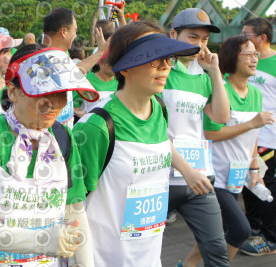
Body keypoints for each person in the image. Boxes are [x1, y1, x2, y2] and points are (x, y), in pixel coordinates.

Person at [0, 44, 98, 266]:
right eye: (43, 92)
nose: (54, 103)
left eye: (61, 92)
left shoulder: (63, 137)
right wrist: (42, 241)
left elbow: (74, 211)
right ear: (13, 92)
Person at [74, 21, 212, 266]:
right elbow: (72, 203)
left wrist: (187, 170)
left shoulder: (159, 109)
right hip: (105, 258)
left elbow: (162, 142)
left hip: (149, 255)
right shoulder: (96, 127)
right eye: (153, 58)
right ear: (124, 68)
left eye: (167, 58)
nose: (165, 66)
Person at [161, 8, 231, 267]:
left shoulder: (203, 75)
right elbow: (155, 130)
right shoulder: (160, 71)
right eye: (193, 37)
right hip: (159, 176)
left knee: (216, 248)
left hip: (197, 176)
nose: (200, 45)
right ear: (173, 35)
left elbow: (221, 116)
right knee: (143, 247)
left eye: (204, 39)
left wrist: (214, 72)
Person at [203, 36, 274, 260]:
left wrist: (255, 169)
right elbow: (211, 134)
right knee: (240, 230)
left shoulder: (256, 93)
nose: (255, 59)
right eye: (248, 54)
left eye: (256, 54)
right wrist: (252, 123)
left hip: (237, 177)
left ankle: (188, 264)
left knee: (219, 231)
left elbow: (253, 137)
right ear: (233, 57)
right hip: (215, 177)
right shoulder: (220, 89)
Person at [240, 17, 276, 256]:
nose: (242, 38)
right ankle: (253, 229)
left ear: (262, 38)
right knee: (247, 185)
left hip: (265, 137)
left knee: (265, 186)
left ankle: (269, 238)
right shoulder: (242, 59)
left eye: (246, 35)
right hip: (241, 134)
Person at [42, 8, 108, 128]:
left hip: (65, 130)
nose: (75, 35)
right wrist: (100, 52)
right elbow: (74, 73)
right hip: (50, 133)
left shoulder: (62, 54)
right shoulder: (42, 59)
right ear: (64, 32)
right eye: (75, 30)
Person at [75, 50, 117, 119]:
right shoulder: (86, 81)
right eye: (112, 62)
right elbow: (74, 105)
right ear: (101, 63)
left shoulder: (120, 81)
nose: (116, 65)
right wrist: (88, 118)